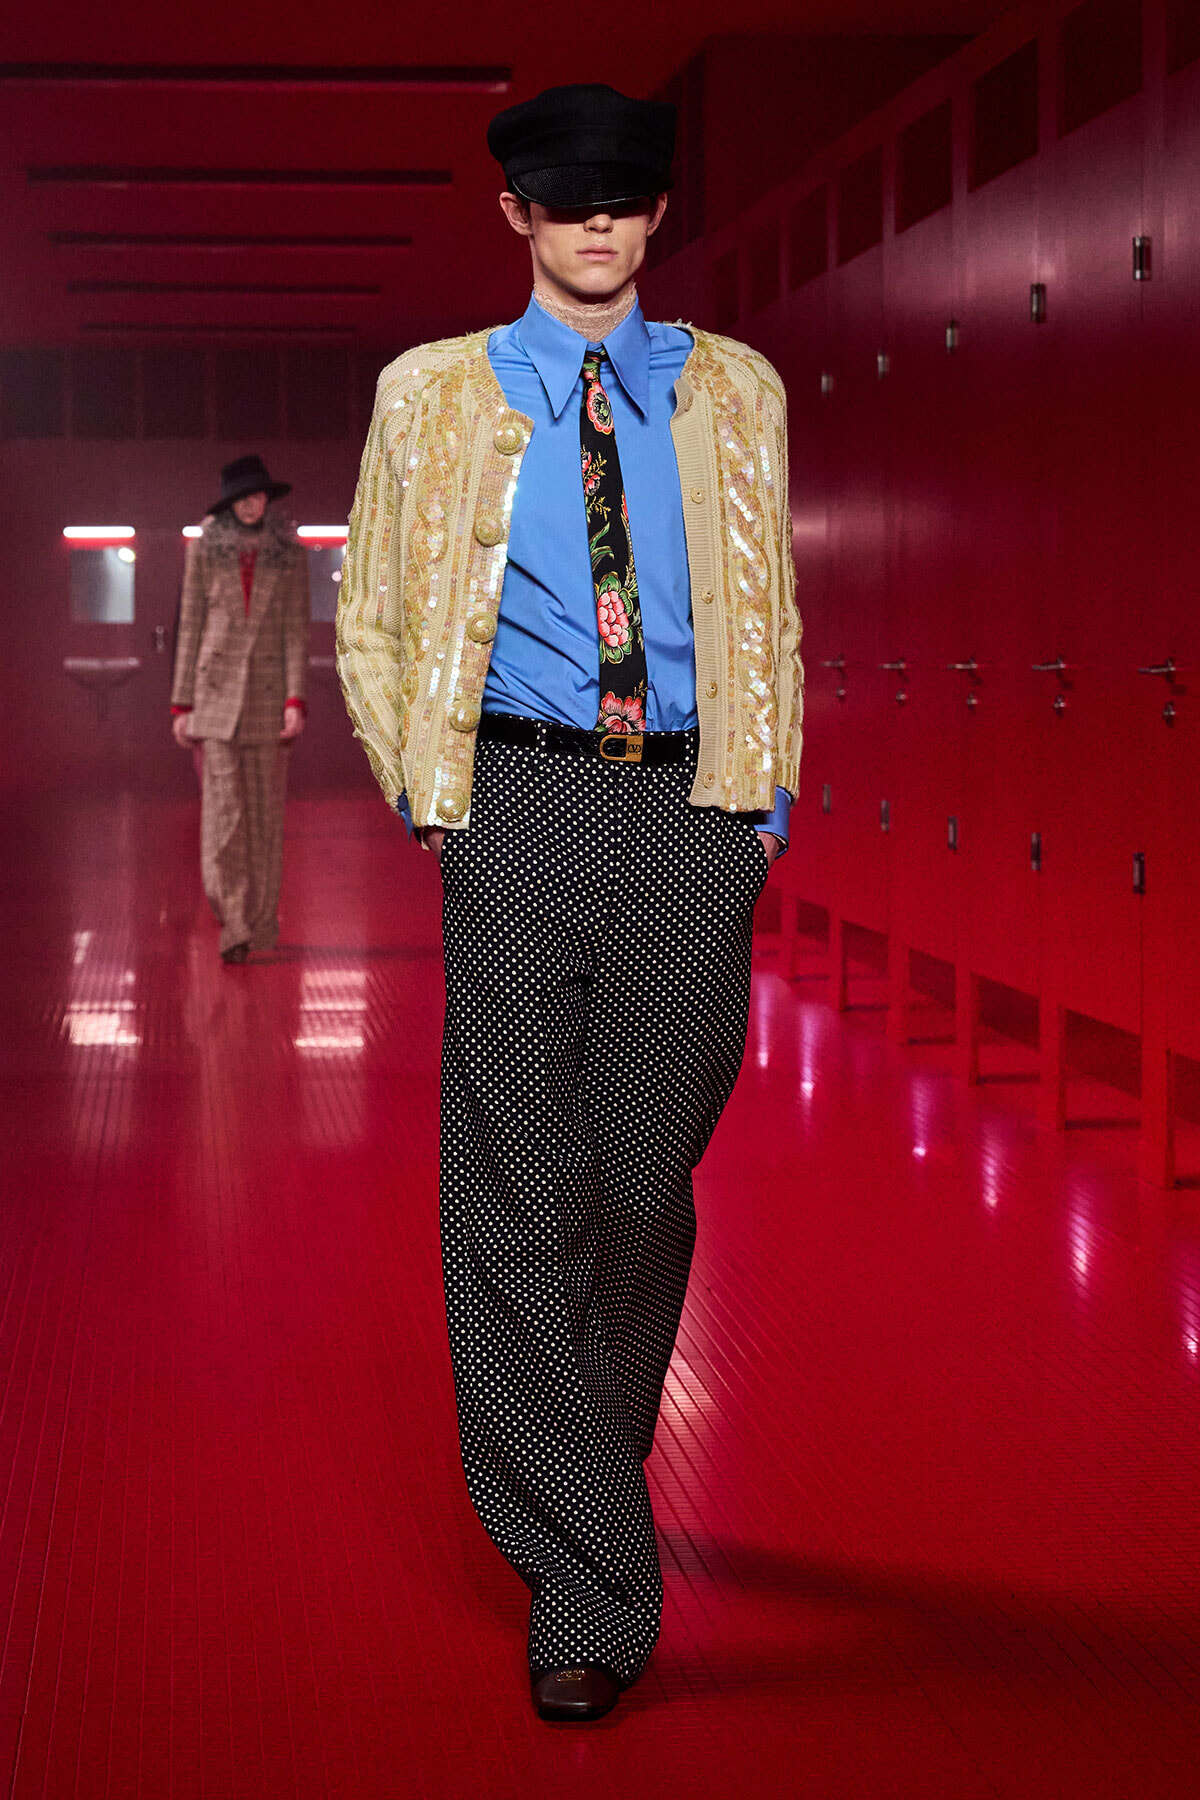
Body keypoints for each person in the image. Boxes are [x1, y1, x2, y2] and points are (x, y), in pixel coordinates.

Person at [337, 82, 803, 1721]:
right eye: (564, 198)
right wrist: (432, 803)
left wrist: (760, 815)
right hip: (517, 795)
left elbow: (769, 600)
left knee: (642, 1178)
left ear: (657, 212)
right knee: (519, 1183)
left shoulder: (734, 390)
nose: (595, 224)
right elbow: (377, 608)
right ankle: (592, 1586)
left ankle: (584, 1476)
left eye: (622, 197)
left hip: (691, 805)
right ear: (517, 215)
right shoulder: (432, 394)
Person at [171, 454, 310, 964]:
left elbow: (296, 631)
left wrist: (295, 700)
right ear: (229, 503)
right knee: (225, 817)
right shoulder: (204, 552)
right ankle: (233, 921)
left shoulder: (288, 555)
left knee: (264, 819)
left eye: (259, 495)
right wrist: (181, 704)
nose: (252, 504)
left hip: (269, 701)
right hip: (214, 699)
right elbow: (190, 625)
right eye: (243, 496)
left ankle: (260, 923)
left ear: (268, 500)